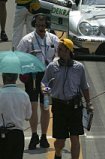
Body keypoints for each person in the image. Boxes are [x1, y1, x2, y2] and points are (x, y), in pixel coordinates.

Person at [41, 38, 92, 159]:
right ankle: (58, 153)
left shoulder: (79, 68)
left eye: (62, 50)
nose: (59, 52)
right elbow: (44, 82)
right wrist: (45, 89)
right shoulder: (52, 67)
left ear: (69, 51)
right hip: (59, 107)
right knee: (60, 141)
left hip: (75, 106)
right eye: (58, 49)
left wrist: (89, 103)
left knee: (75, 138)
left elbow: (84, 87)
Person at [16, 14, 59, 150]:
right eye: (39, 25)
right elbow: (19, 57)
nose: (41, 28)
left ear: (47, 26)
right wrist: (29, 58)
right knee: (33, 106)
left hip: (47, 78)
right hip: (33, 78)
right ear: (35, 25)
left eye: (43, 25)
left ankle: (44, 136)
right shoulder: (27, 40)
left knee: (45, 107)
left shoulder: (53, 39)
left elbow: (60, 55)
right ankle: (34, 135)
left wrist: (54, 63)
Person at [0, 73, 31, 159]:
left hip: (2, 133)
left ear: (3, 78)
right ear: (16, 78)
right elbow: (28, 116)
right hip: (18, 134)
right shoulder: (24, 94)